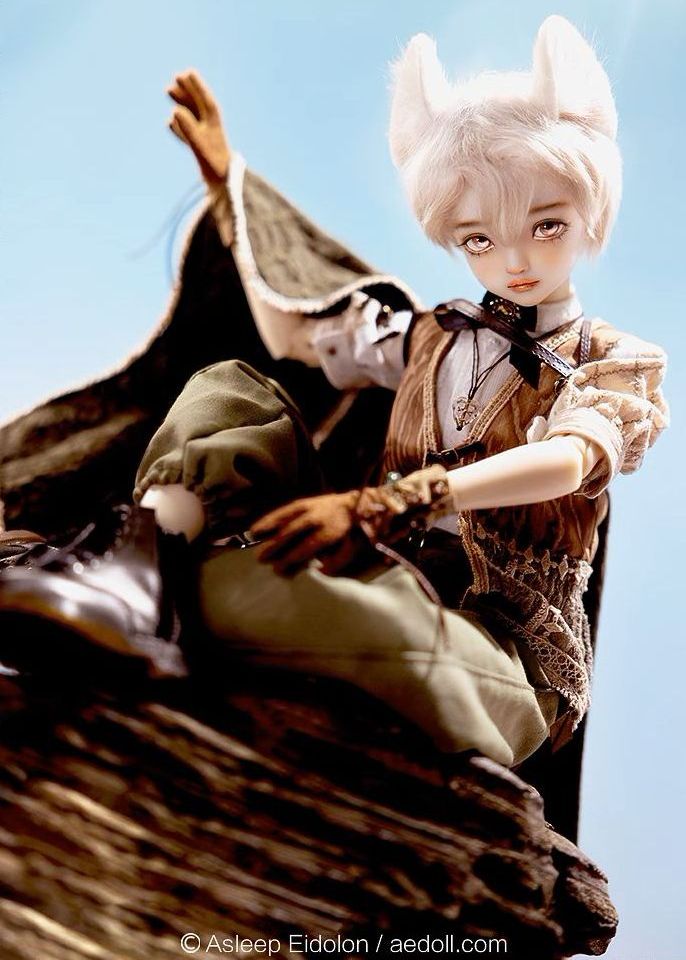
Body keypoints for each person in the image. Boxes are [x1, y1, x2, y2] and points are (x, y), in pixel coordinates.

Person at [0, 17, 668, 771]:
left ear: (589, 211)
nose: (514, 261)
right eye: (479, 238)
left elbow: (570, 460)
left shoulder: (612, 362)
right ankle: (141, 564)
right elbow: (297, 330)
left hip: (494, 650)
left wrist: (398, 500)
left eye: (546, 226)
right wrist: (228, 189)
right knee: (231, 389)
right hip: (373, 567)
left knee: (357, 622)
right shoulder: (430, 338)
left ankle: (151, 586)